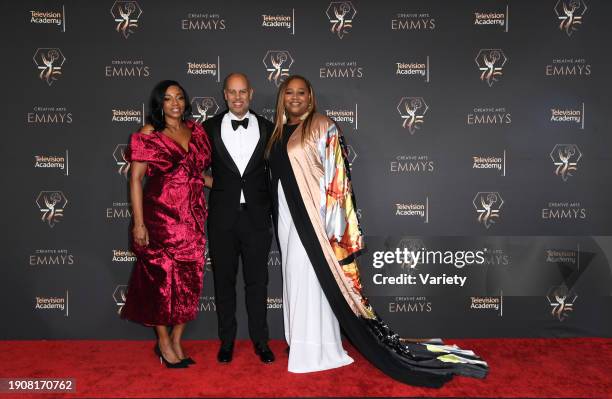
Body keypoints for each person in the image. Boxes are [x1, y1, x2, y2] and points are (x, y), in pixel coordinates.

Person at [266, 75, 489, 387]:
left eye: (301, 92)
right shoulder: (275, 131)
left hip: (315, 226)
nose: (295, 98)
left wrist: (335, 230)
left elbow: (338, 181)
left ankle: (317, 350)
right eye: (289, 92)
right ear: (281, 96)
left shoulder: (322, 126)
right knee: (295, 280)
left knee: (312, 282)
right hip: (288, 223)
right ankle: (301, 341)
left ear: (310, 96)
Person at [121, 80, 212, 368]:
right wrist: (139, 223)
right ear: (159, 103)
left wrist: (235, 187)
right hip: (159, 218)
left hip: (193, 217)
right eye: (168, 98)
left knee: (190, 280)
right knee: (158, 282)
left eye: (180, 97)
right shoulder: (150, 132)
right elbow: (136, 179)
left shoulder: (196, 130)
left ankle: (176, 339)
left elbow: (198, 175)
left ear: (186, 102)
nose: (175, 103)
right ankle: (163, 341)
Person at [202, 73, 275, 363]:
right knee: (223, 282)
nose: (237, 97)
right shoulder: (208, 129)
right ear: (224, 95)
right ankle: (227, 342)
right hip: (222, 219)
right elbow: (193, 169)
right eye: (232, 92)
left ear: (251, 93)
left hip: (257, 219)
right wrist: (218, 185)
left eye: (242, 91)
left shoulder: (269, 129)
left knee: (258, 283)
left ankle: (261, 341)